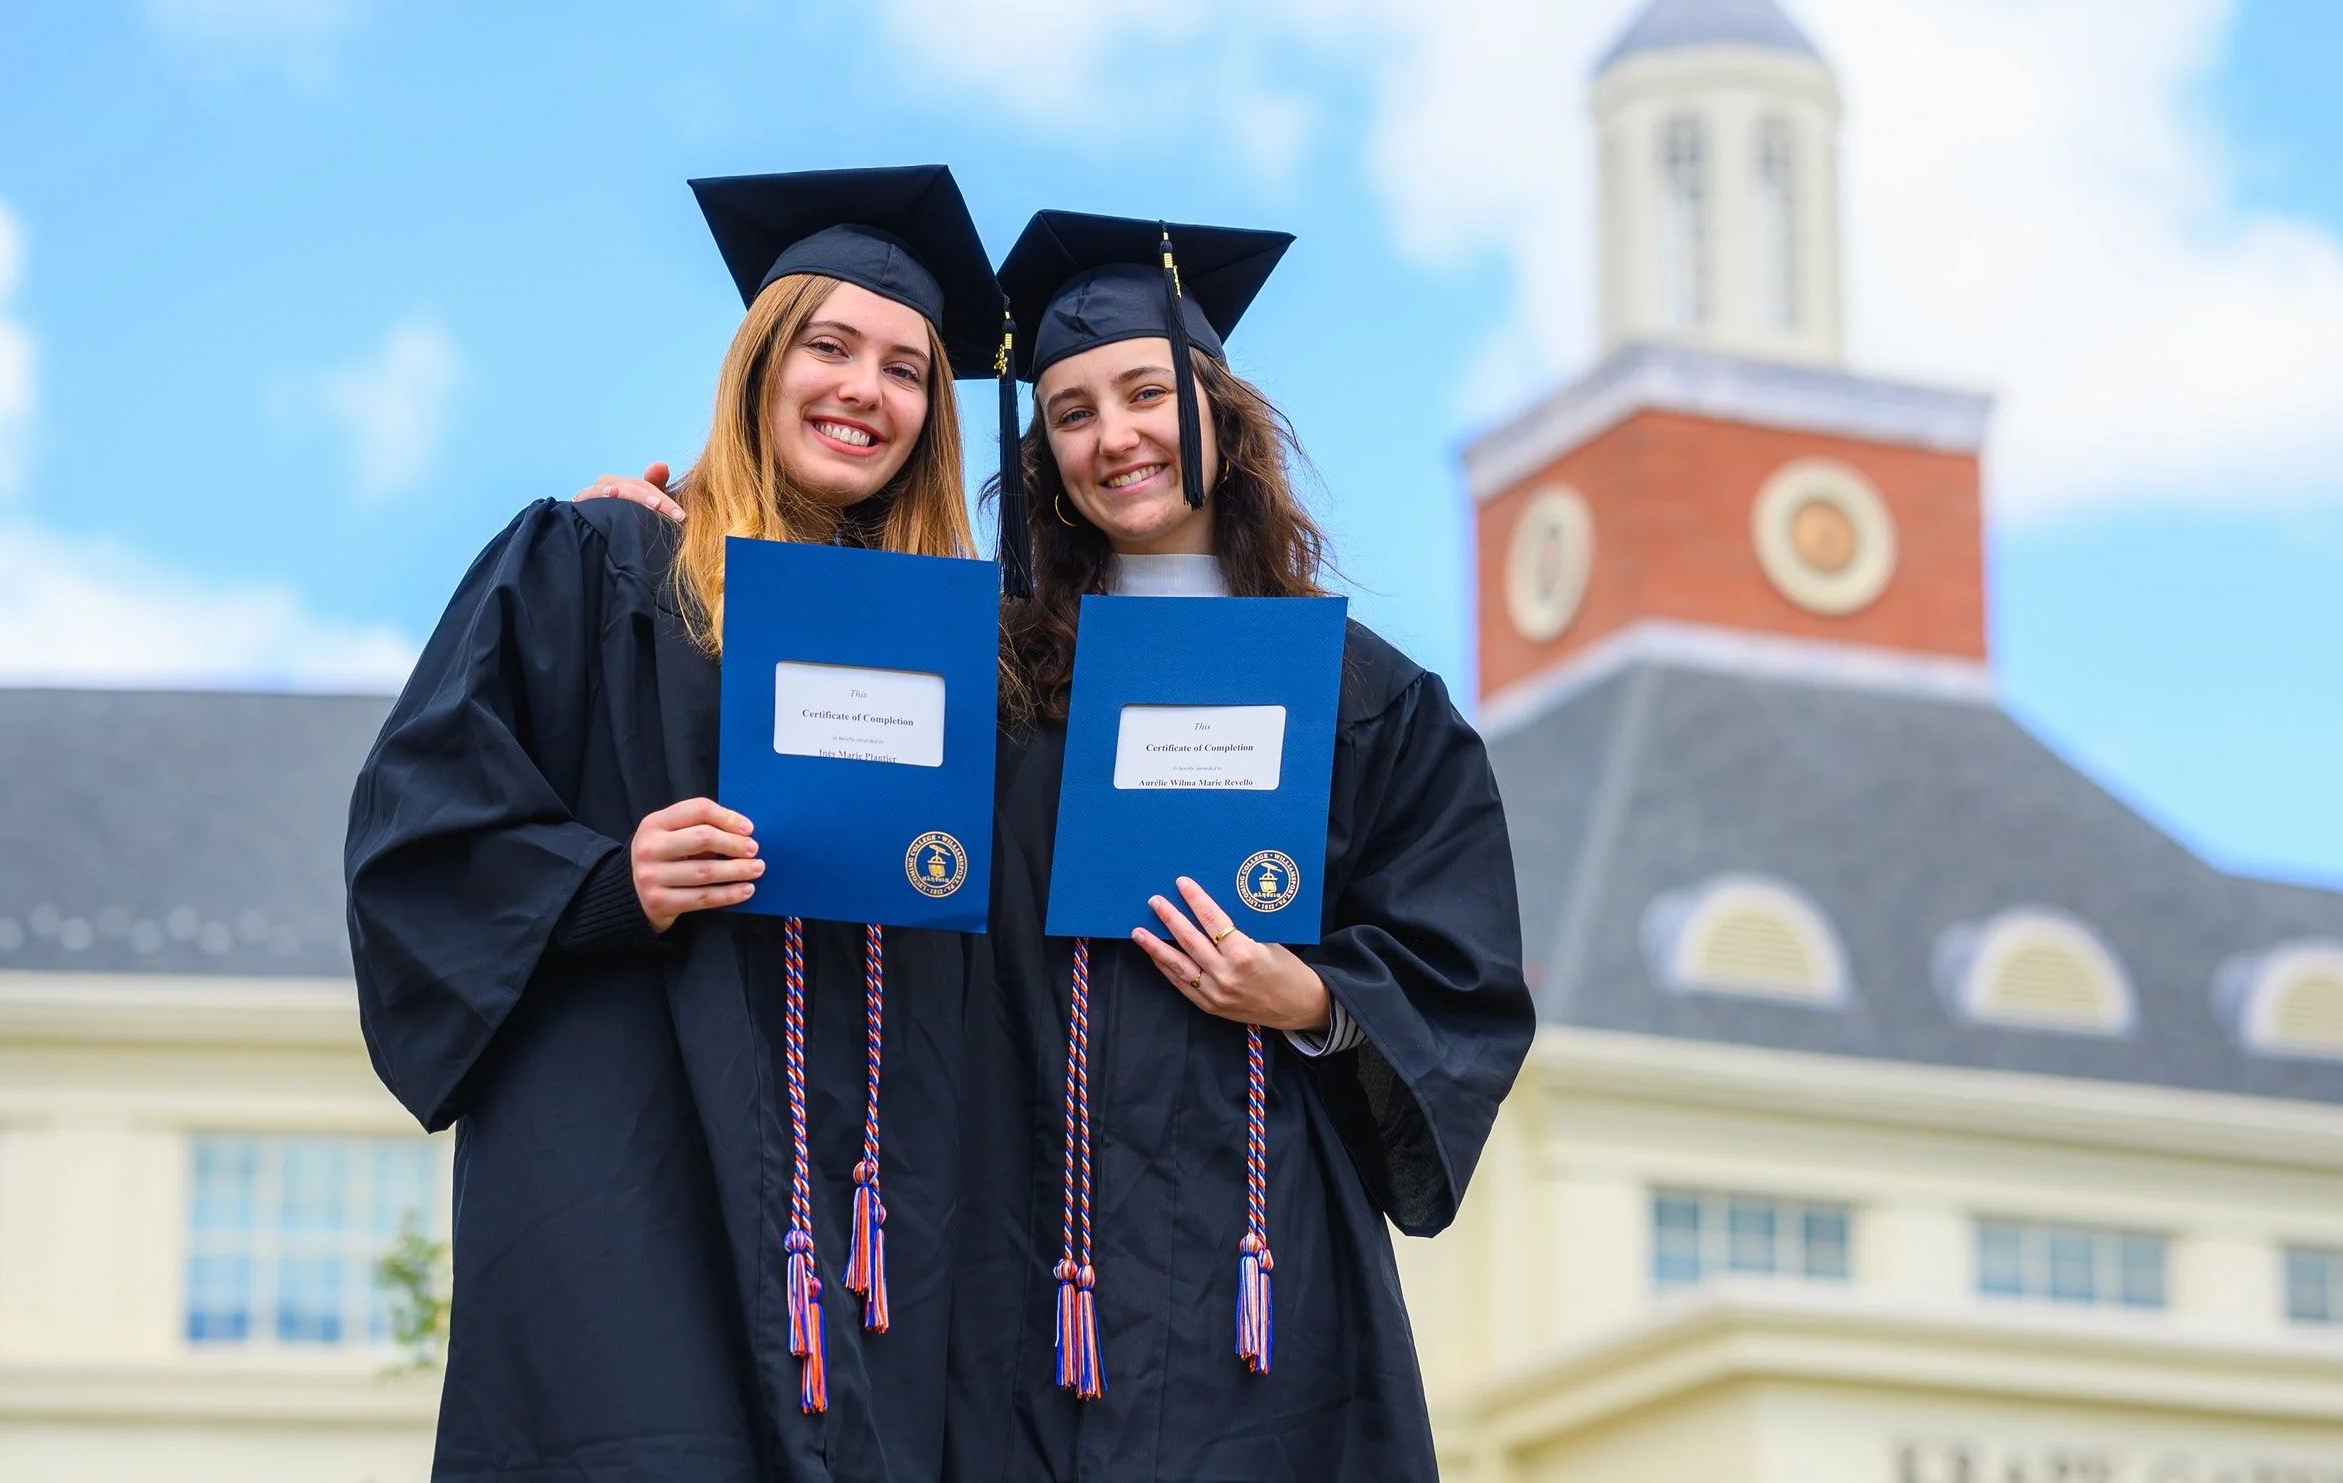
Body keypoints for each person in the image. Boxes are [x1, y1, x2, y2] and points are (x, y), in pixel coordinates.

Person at [346, 165, 1006, 1483]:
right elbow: (413, 832)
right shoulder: (594, 563)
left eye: (904, 369)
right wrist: (609, 876)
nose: (863, 391)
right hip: (631, 1167)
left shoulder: (946, 657)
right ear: (758, 365)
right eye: (828, 344)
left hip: (874, 1203)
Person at [961, 210, 1532, 1482]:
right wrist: (655, 536)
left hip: (1262, 1268)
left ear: (1219, 409)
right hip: (1024, 1253)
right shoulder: (993, 688)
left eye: (1145, 392)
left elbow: (1463, 970)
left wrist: (1316, 998)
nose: (1115, 437)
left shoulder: (1363, 698)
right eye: (1069, 411)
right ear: (1043, 454)